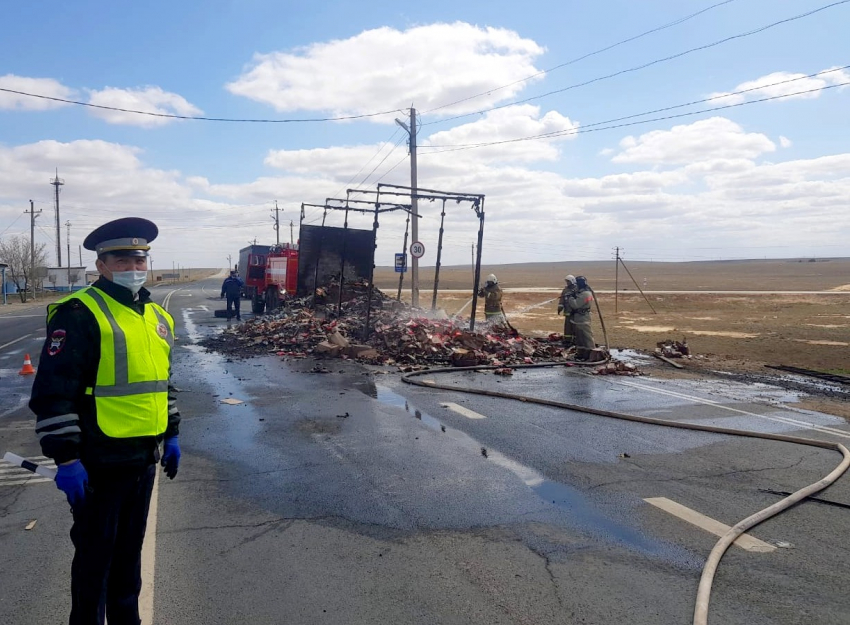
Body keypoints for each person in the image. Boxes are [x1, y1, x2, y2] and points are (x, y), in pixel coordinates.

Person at [30, 217, 180, 625]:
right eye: (122, 258)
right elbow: (53, 393)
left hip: (143, 459)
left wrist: (172, 433)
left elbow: (161, 382)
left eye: (139, 258)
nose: (133, 265)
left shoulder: (153, 315)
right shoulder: (79, 313)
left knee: (128, 563)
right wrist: (66, 460)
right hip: (100, 463)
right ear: (101, 264)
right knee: (96, 564)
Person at [560, 275, 596, 360]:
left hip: (583, 319)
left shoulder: (585, 294)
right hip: (578, 319)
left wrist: (570, 298)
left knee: (587, 337)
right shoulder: (582, 293)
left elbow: (575, 305)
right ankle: (581, 353)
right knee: (579, 338)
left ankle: (590, 353)